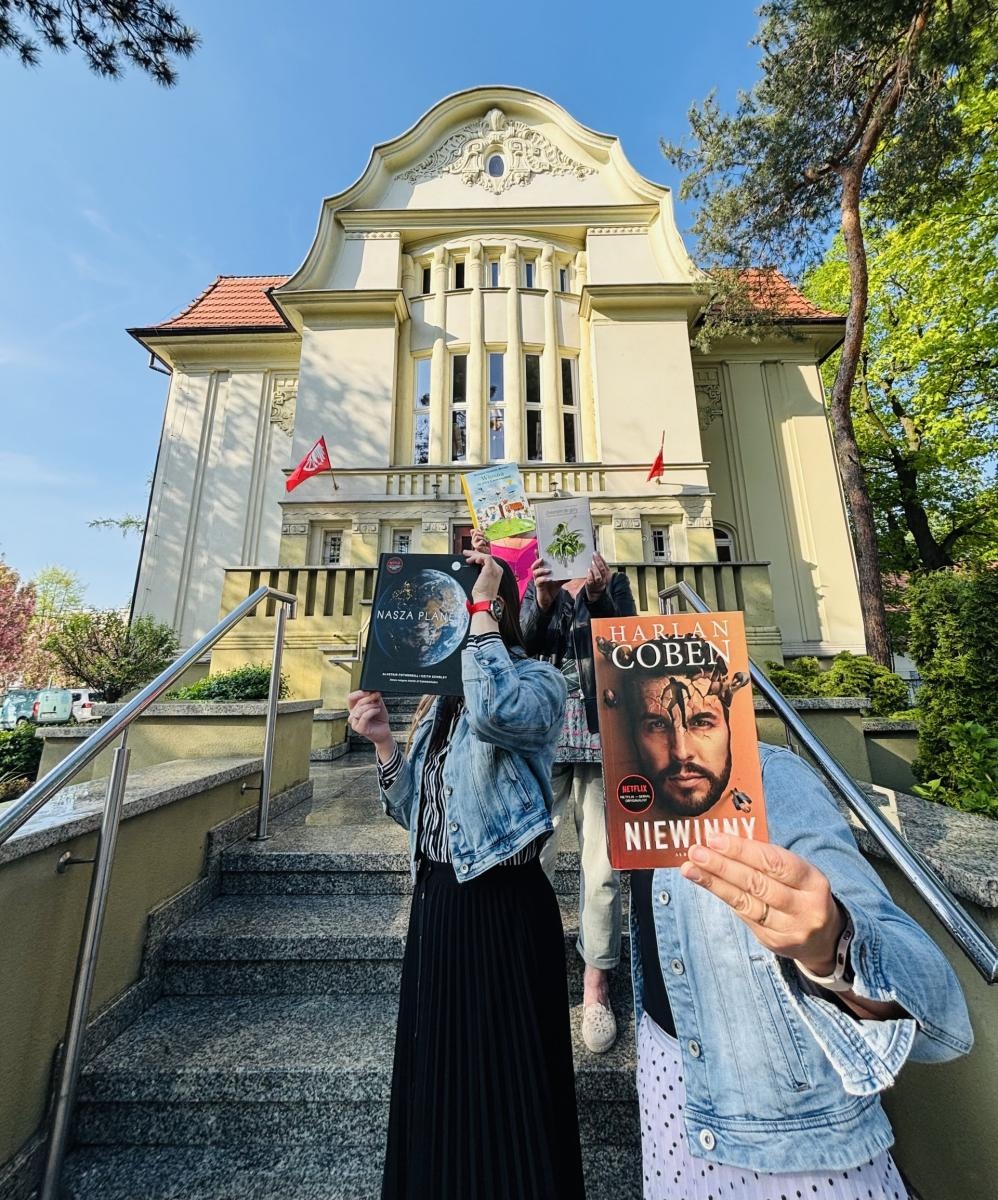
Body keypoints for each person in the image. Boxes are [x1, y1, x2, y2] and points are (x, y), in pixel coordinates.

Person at [627, 725, 973, 1195]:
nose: (680, 744)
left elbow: (933, 1000)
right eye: (653, 723)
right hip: (667, 1091)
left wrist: (832, 944)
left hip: (794, 1154)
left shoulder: (777, 779)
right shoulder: (635, 791)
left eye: (703, 721)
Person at [347, 549, 586, 1200]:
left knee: (507, 1085)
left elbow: (499, 712)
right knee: (442, 1081)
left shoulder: (538, 681)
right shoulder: (439, 702)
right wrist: (383, 744)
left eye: (471, 600)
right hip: (440, 908)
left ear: (493, 610)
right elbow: (418, 814)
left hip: (502, 911)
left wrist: (482, 605)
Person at [518, 538, 637, 1054]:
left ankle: (596, 984)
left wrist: (598, 596)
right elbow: (519, 643)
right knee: (529, 860)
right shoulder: (537, 582)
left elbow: (630, 644)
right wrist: (542, 601)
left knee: (603, 868)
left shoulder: (609, 580)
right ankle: (526, 966)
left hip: (599, 733)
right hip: (543, 735)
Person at [613, 635, 751, 819]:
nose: (681, 753)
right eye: (657, 725)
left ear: (728, 724)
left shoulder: (774, 768)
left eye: (701, 723)